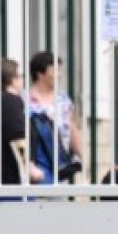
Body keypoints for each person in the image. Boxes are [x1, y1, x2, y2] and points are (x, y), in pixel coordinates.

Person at [0, 58, 43, 185]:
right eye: (20, 76)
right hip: (4, 178)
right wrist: (30, 167)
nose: (23, 79)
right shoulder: (10, 101)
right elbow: (17, 135)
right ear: (12, 79)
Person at [28, 52, 84, 184]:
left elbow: (72, 129)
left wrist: (82, 156)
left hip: (58, 164)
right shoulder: (24, 100)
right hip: (34, 164)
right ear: (40, 73)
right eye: (55, 70)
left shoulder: (63, 99)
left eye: (60, 71)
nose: (59, 75)